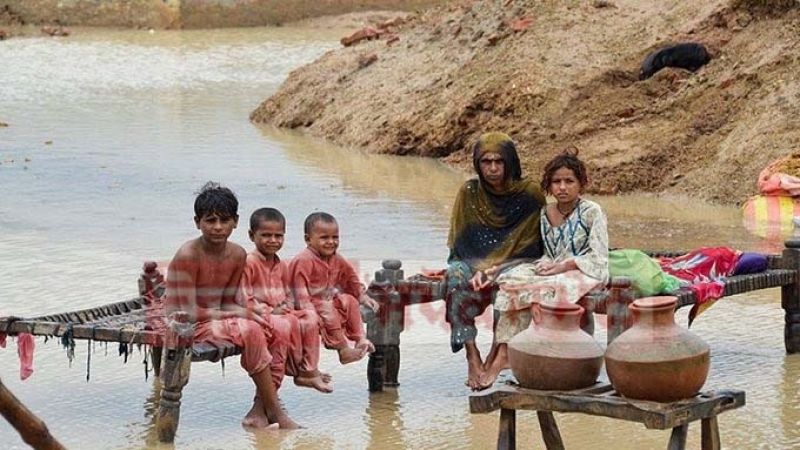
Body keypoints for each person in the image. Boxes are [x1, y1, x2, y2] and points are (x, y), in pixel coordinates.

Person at [164, 182, 298, 429]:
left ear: (235, 222)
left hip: (218, 318)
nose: (217, 227)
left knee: (277, 326)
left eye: (224, 220)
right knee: (251, 329)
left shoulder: (237, 254)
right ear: (197, 222)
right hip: (184, 323)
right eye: (210, 220)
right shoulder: (188, 255)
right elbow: (189, 314)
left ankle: (259, 408)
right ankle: (276, 411)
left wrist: (251, 313)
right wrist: (244, 315)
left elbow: (227, 301)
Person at [479, 149, 609, 389]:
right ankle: (507, 352)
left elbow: (599, 256)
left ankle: (539, 353)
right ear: (549, 185)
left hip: (584, 269)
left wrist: (565, 265)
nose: (562, 187)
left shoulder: (592, 212)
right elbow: (542, 252)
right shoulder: (545, 212)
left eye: (569, 181)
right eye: (556, 182)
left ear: (581, 183)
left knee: (548, 287)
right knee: (511, 281)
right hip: (550, 266)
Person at [445, 132, 546, 390]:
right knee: (455, 275)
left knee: (511, 284)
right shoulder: (469, 192)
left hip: (517, 261)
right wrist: (479, 267)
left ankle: (494, 354)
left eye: (498, 162)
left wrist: (497, 267)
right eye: (485, 162)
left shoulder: (529, 193)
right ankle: (472, 354)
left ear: (510, 162)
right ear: (477, 164)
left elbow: (534, 247)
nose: (492, 168)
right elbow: (460, 244)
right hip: (473, 259)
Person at [239, 207, 333, 427]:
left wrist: (289, 306)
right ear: (252, 236)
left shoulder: (282, 265)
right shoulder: (249, 263)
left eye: (278, 236)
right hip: (256, 318)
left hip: (279, 315)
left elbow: (289, 294)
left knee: (308, 318)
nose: (273, 240)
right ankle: (262, 410)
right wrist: (271, 311)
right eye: (266, 235)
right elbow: (244, 299)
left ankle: (306, 371)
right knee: (282, 329)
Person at [289, 212, 379, 365]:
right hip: (305, 305)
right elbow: (299, 292)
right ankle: (343, 350)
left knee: (350, 300)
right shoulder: (303, 260)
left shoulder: (336, 258)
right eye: (324, 238)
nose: (331, 242)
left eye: (335, 237)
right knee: (327, 308)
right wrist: (310, 314)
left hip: (327, 300)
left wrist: (362, 296)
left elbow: (350, 278)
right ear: (308, 239)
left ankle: (360, 339)